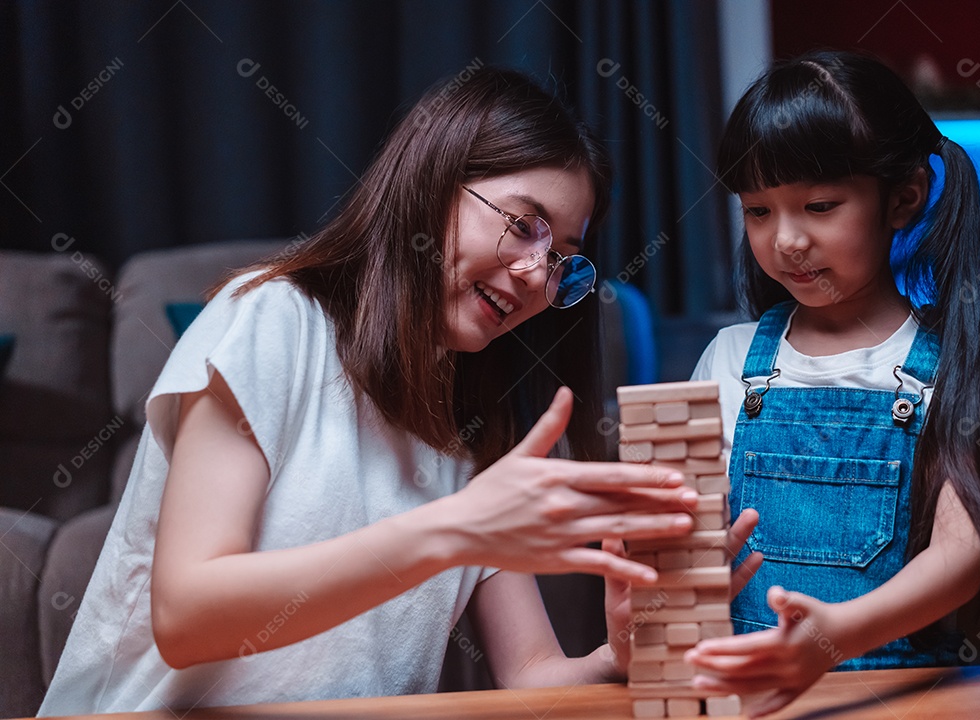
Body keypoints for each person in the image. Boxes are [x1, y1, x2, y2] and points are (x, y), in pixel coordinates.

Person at [39, 67, 760, 716]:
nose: (538, 275)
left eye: (563, 259)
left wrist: (619, 658)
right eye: (524, 226)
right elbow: (187, 613)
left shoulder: (475, 420)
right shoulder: (270, 319)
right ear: (432, 181)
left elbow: (532, 674)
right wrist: (454, 528)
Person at [685, 50, 980, 717]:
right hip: (748, 702)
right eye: (758, 211)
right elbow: (690, 552)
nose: (785, 240)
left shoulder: (967, 365)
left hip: (901, 701)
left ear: (901, 198)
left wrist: (832, 638)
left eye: (819, 205)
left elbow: (964, 557)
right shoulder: (729, 359)